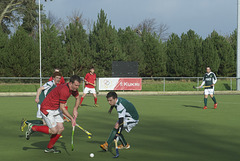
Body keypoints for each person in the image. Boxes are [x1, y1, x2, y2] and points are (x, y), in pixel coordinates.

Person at [25, 75, 81, 153]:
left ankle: (49, 148)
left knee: (60, 129)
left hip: (56, 109)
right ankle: (33, 127)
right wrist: (71, 118)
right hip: (47, 109)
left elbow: (78, 98)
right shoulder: (64, 90)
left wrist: (75, 109)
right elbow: (62, 108)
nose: (77, 87)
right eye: (76, 85)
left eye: (78, 85)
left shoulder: (73, 88)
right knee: (54, 131)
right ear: (70, 83)